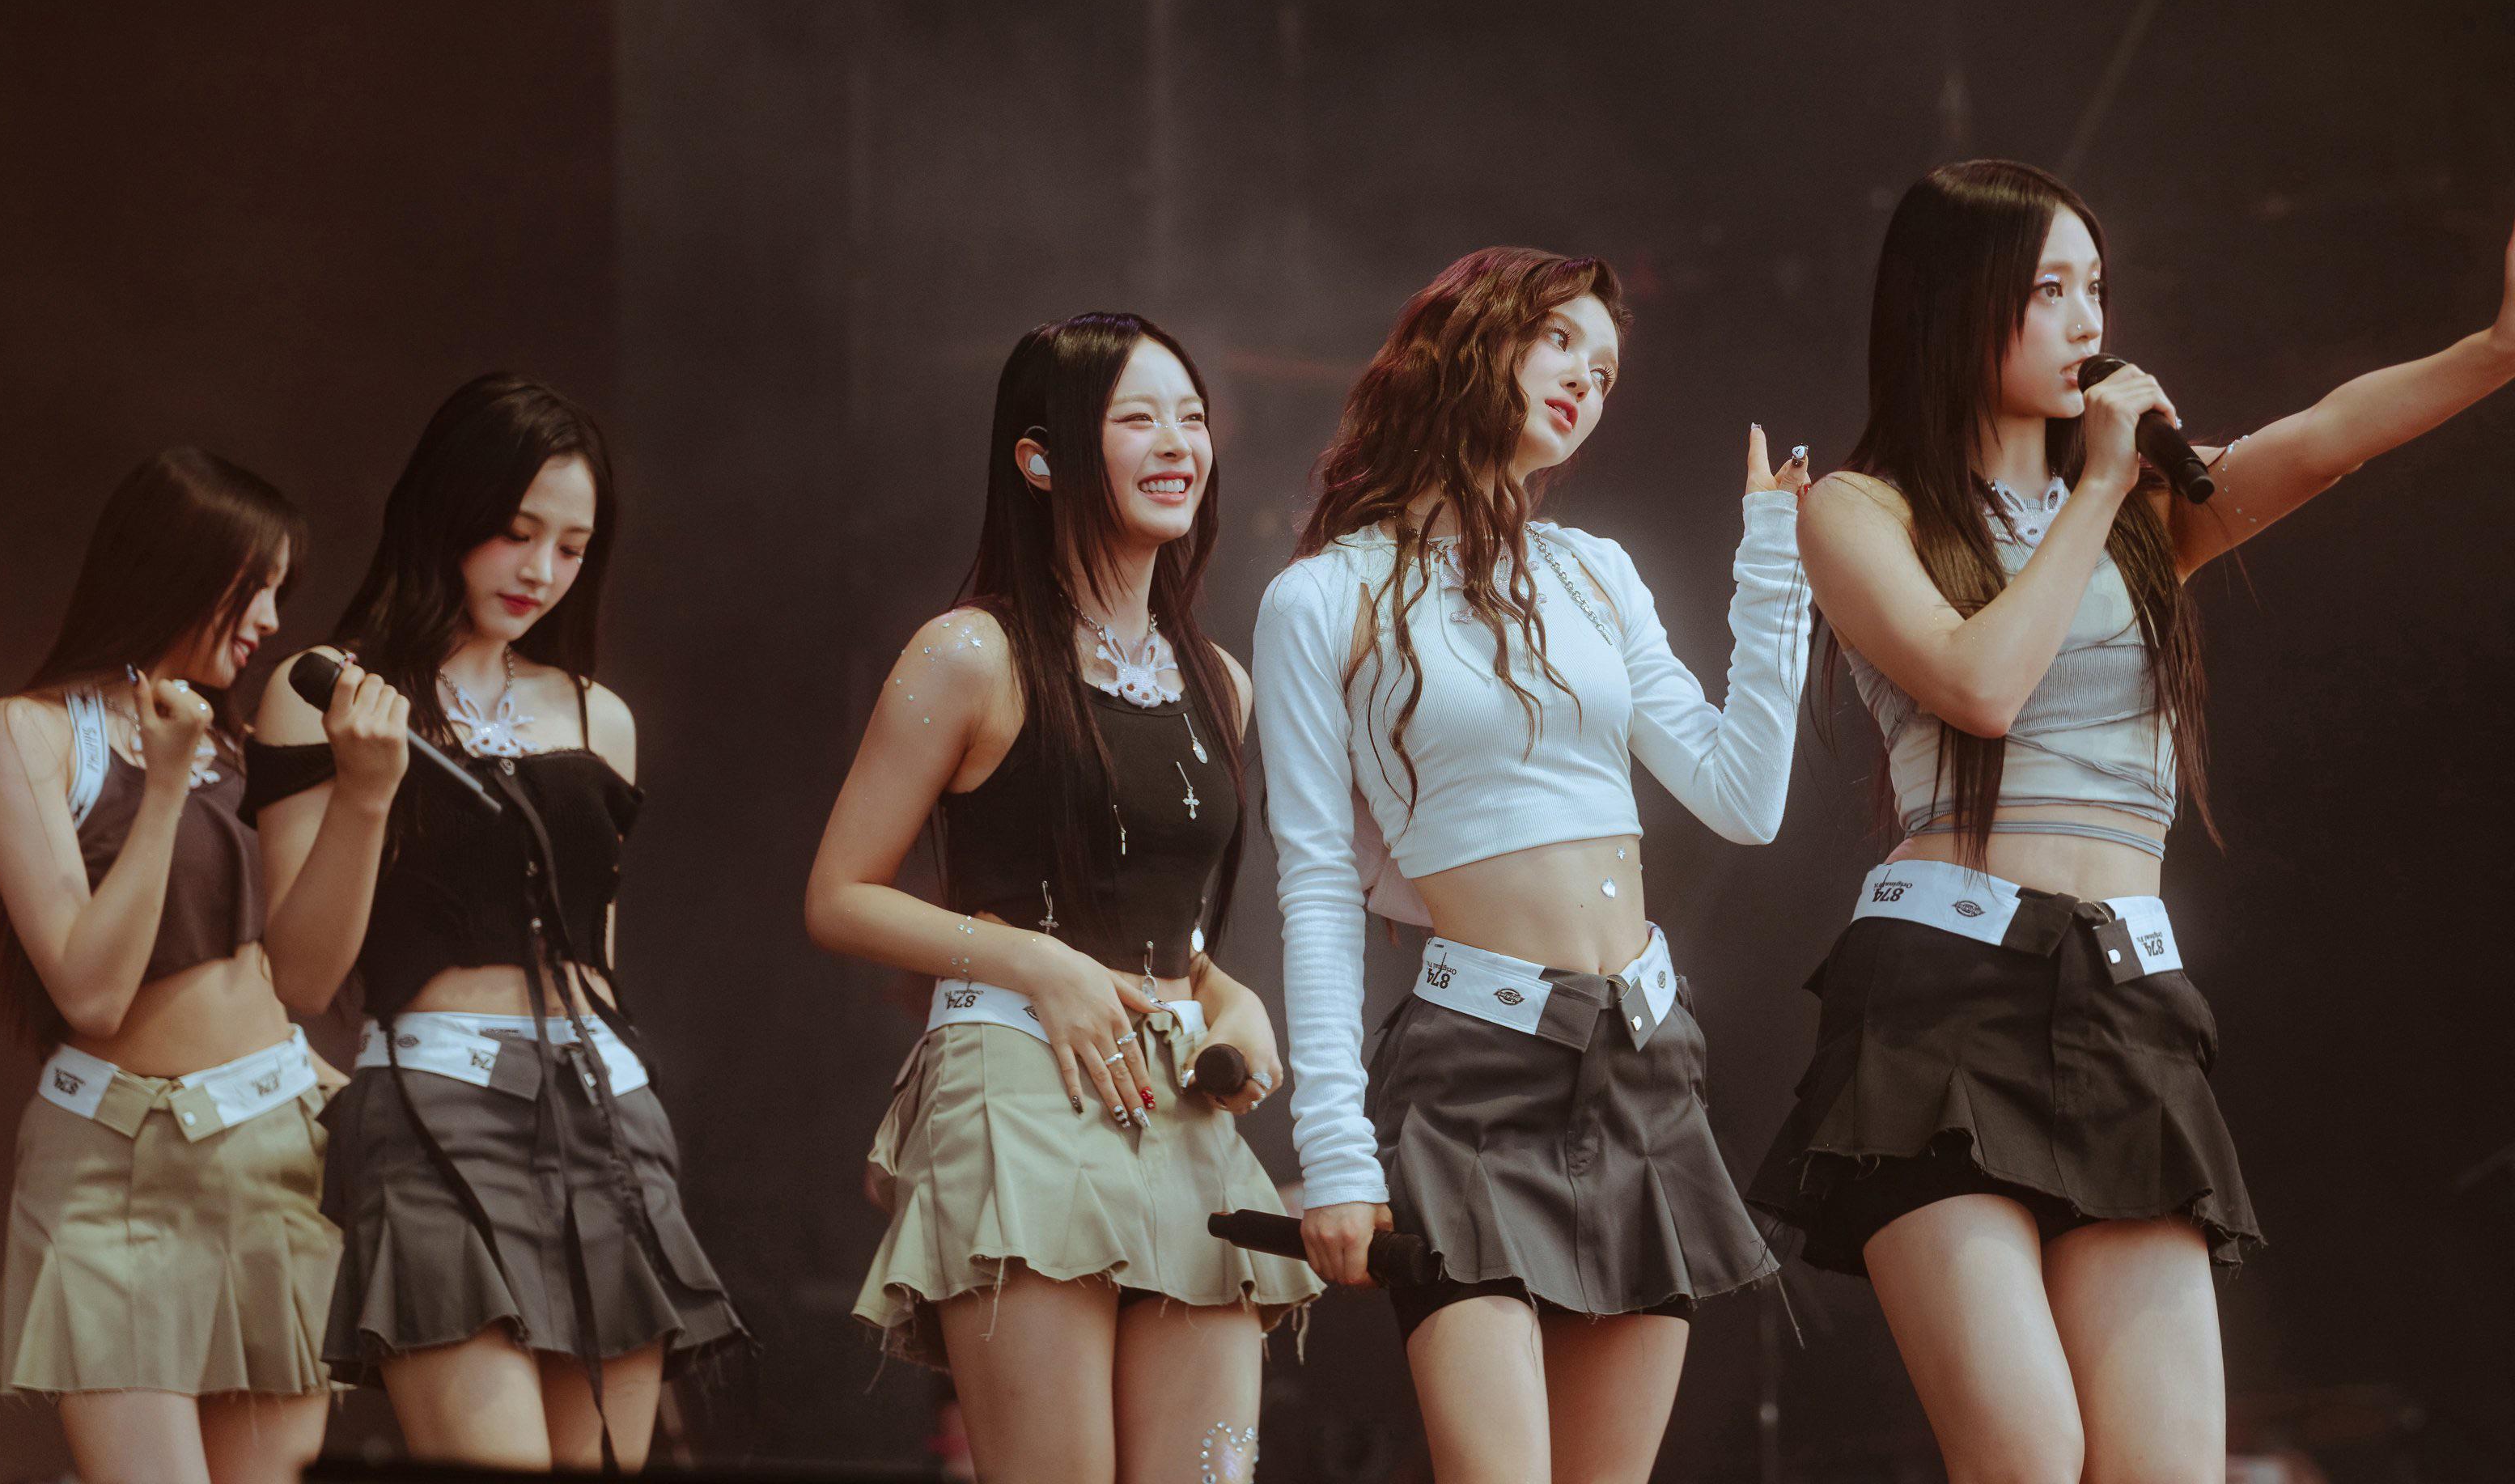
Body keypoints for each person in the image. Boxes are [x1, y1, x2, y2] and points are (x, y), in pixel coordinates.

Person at [1745, 153, 2515, 1482]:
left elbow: (2326, 436)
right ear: (1954, 303)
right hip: (1941, 1001)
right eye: (2048, 290)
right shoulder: (1863, 511)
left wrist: (2501, 348)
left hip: (2122, 1003)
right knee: (2028, 1456)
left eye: (2096, 287)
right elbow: (1979, 685)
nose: (2088, 321)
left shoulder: (2148, 509)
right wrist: (2096, 486)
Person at [1257, 248, 1812, 1483]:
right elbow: (1316, 885)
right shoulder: (1324, 596)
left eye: (1605, 369)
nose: (1586, 381)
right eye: (1560, 340)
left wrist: (1773, 567)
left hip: (1644, 1057)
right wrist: (1335, 1148)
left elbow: (1744, 798)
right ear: (1469, 340)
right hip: (1475, 1072)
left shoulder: (1595, 571)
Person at [809, 313, 1321, 1484]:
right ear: (1040, 460)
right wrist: (1037, 962)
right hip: (1018, 1084)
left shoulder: (1221, 680)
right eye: (1138, 418)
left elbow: (1154, 913)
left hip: (1178, 1099)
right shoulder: (968, 654)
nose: (1177, 442)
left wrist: (1230, 998)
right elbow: (839, 895)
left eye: (1190, 417)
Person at [249, 374, 742, 1471]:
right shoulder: (327, 690)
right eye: (517, 533)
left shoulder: (597, 715)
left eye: (572, 547)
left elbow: (595, 962)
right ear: (449, 511)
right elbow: (301, 976)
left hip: (605, 1113)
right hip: (436, 1104)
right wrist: (367, 792)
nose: (541, 571)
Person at [0, 448, 335, 1484]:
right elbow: (90, 990)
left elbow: (280, 970)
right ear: (179, 568)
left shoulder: (243, 739)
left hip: (273, 1156)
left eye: (280, 591)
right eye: (253, 587)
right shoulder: (29, 733)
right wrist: (164, 787)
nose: (269, 620)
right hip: (113, 1167)